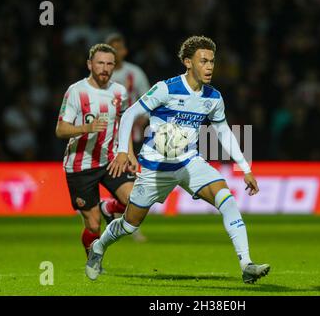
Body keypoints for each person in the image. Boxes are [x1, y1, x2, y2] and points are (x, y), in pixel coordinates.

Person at [86, 36, 270, 284]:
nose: (209, 66)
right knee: (130, 225)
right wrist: (122, 150)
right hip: (155, 168)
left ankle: (246, 264)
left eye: (212, 61)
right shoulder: (166, 89)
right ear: (187, 62)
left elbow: (224, 132)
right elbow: (130, 113)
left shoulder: (213, 97)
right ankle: (99, 246)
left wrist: (245, 168)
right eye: (203, 61)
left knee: (226, 199)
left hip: (188, 162)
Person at [56, 43, 137, 258]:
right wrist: (86, 128)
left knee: (135, 199)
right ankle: (93, 258)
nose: (105, 68)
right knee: (93, 226)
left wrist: (129, 153)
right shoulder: (76, 91)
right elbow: (61, 129)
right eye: (100, 63)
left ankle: (109, 207)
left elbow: (124, 124)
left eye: (110, 64)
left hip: (110, 160)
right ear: (89, 64)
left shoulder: (119, 92)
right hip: (80, 165)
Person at [95, 33, 151, 242]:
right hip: (104, 137)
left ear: (125, 51)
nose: (116, 52)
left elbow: (148, 100)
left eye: (119, 48)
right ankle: (115, 214)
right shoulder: (100, 76)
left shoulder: (134, 73)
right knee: (114, 175)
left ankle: (120, 216)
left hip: (131, 136)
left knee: (130, 177)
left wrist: (141, 120)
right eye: (111, 48)